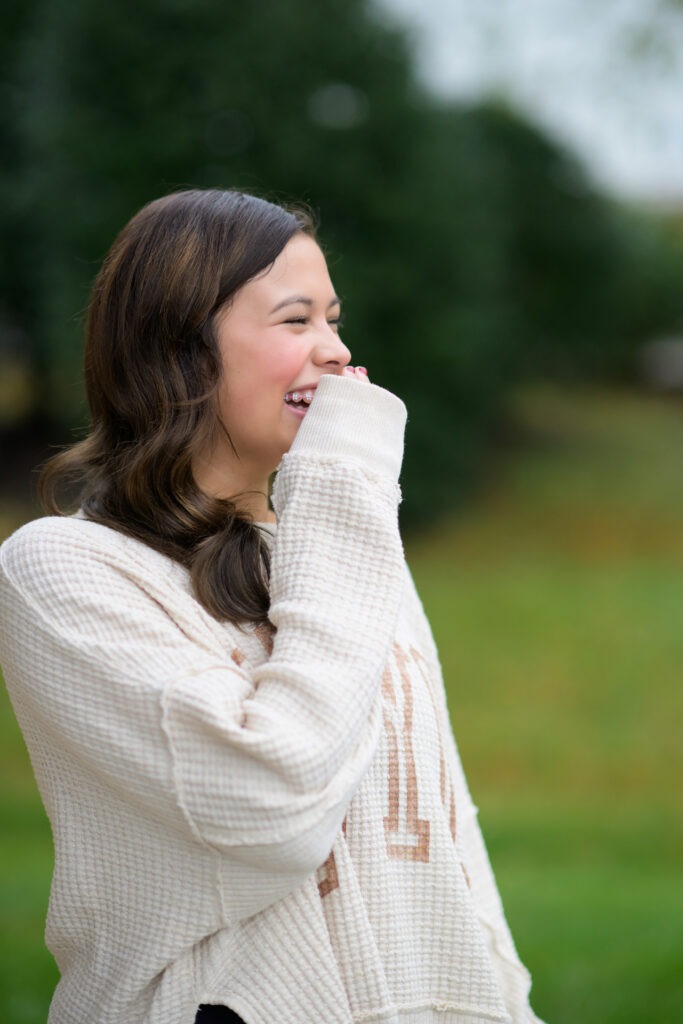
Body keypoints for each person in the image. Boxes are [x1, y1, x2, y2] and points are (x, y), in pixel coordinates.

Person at [0, 189, 543, 1024]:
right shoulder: (63, 571)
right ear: (178, 349)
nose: (335, 350)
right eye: (296, 321)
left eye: (333, 318)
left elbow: (446, 829)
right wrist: (338, 499)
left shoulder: (343, 551)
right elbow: (266, 813)